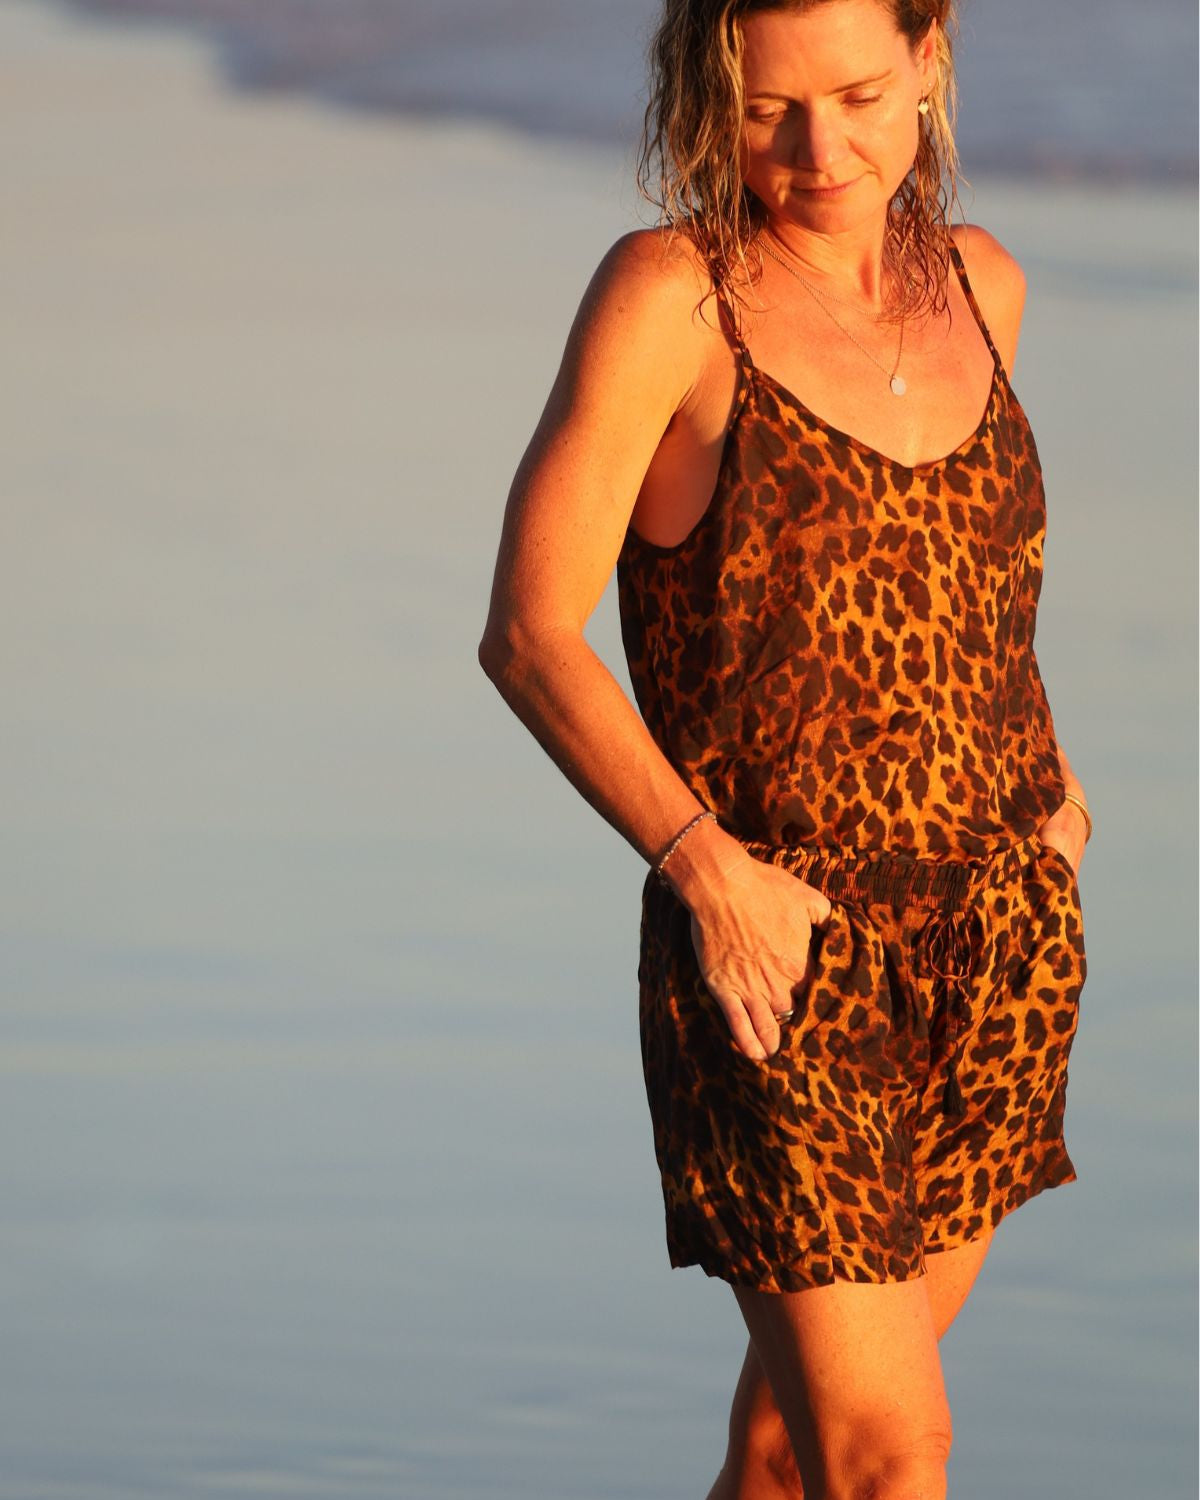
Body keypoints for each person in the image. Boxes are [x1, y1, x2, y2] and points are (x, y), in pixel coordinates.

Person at [478, 1, 1091, 1495]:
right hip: (783, 963)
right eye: (767, 112)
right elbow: (532, 632)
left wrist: (1062, 818)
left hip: (1000, 953)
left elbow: (975, 601)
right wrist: (708, 874)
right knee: (893, 1454)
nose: (821, 151)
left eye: (863, 94)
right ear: (708, 96)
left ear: (932, 59)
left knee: (781, 1449)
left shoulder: (984, 285)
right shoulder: (674, 300)